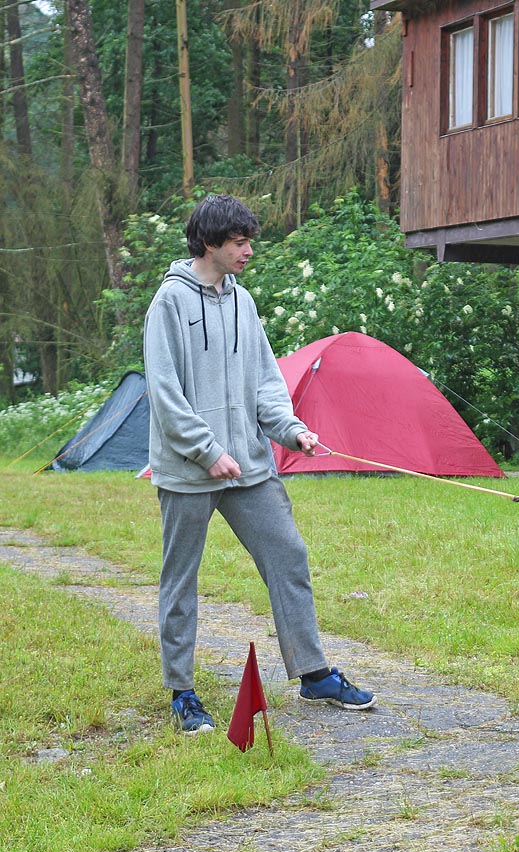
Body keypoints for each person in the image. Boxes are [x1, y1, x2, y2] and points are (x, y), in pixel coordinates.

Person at [144, 194, 376, 734]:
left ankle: (314, 674)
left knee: (288, 555)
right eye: (240, 242)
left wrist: (290, 429)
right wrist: (207, 450)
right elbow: (164, 392)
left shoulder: (243, 302)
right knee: (181, 578)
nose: (249, 250)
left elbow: (266, 383)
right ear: (210, 244)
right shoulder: (170, 303)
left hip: (248, 466)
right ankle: (182, 692)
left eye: (249, 241)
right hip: (189, 470)